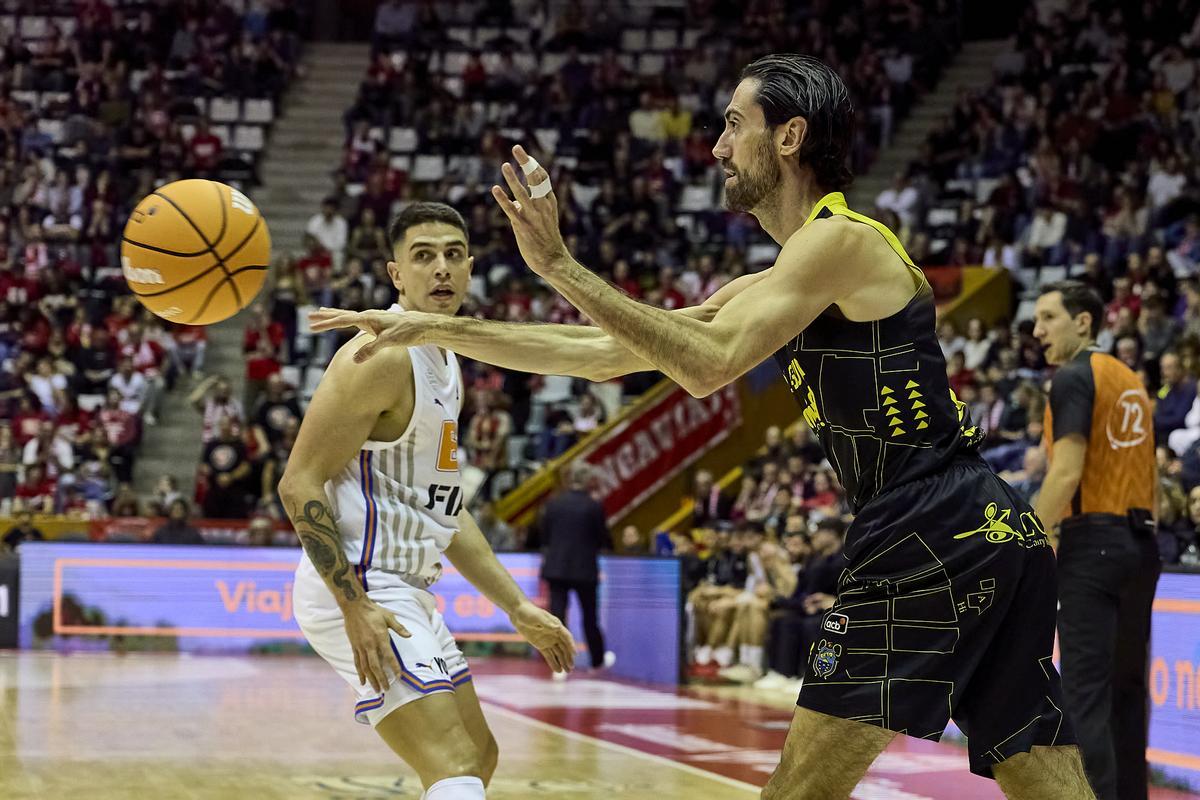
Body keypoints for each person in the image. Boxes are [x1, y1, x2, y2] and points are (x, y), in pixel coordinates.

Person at [311, 54, 1090, 798]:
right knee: (1038, 765)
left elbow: (707, 362)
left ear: (788, 137)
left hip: (929, 528)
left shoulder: (840, 241)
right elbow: (604, 356)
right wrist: (426, 327)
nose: (716, 146)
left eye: (732, 125)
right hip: (985, 531)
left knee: (797, 792)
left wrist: (559, 266)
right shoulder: (785, 273)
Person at [279, 202, 574, 800]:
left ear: (469, 269)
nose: (441, 269)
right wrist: (354, 606)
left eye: (453, 255)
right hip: (364, 582)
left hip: (405, 584)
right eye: (423, 256)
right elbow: (298, 483)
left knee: (479, 756)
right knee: (454, 766)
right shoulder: (382, 355)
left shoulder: (447, 354)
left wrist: (515, 605)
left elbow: (444, 507)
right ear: (396, 275)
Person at [1032, 281, 1161, 800]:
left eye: (1048, 318)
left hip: (1094, 545)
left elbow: (1065, 475)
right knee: (1127, 691)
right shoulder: (1130, 380)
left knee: (1084, 696)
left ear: (1083, 322)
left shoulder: (1073, 377)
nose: (1038, 330)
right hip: (1142, 546)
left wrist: (1026, 539)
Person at [533, 461, 613, 675]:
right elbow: (603, 539)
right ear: (587, 480)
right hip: (585, 570)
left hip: (557, 568)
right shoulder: (593, 506)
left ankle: (558, 665)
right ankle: (596, 662)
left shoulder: (554, 504)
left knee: (557, 617)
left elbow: (545, 536)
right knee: (590, 617)